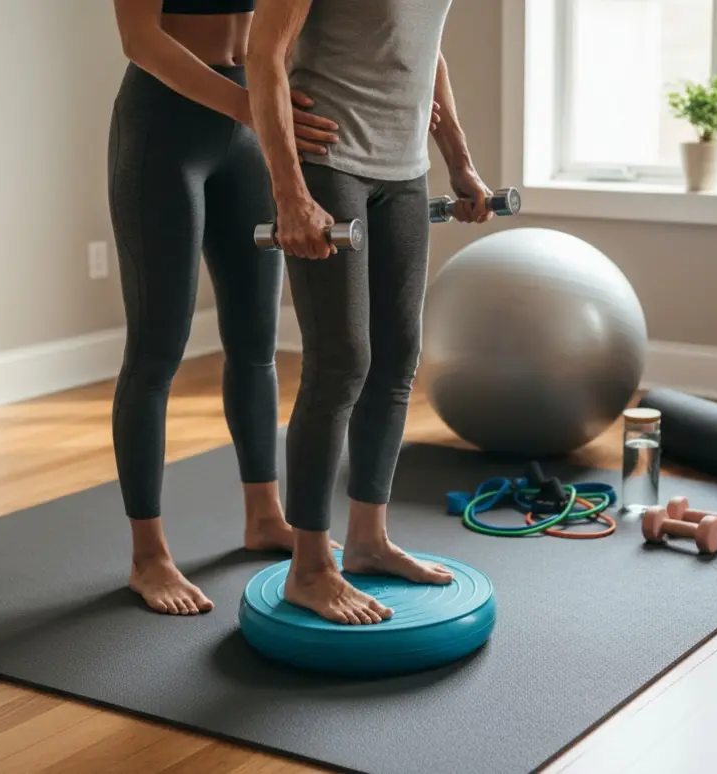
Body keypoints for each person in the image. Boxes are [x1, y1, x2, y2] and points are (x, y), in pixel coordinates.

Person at [247, 0, 494, 625]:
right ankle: (308, 567)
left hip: (404, 169)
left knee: (396, 360)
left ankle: (367, 539)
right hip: (329, 160)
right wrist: (290, 195)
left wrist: (458, 158)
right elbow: (265, 54)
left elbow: (422, 46)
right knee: (340, 362)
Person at [107, 0, 342, 616]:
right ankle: (147, 555)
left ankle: (265, 516)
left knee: (256, 343)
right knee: (157, 350)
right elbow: (140, 41)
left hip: (250, 124)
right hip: (166, 125)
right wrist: (250, 108)